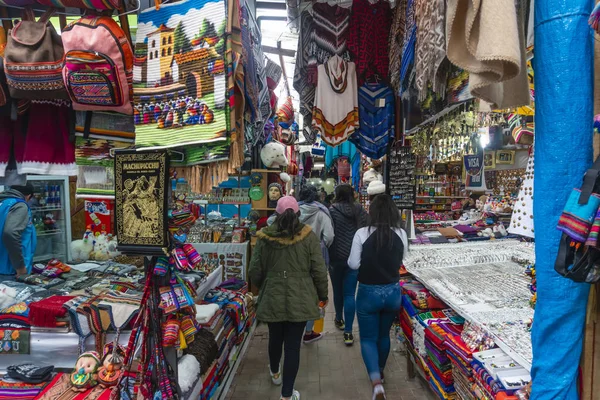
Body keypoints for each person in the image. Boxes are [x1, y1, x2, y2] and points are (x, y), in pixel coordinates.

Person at [249, 196, 329, 400]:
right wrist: (323, 295)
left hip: (273, 294)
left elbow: (255, 270)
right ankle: (286, 395)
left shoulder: (264, 237)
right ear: (299, 213)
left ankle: (275, 372)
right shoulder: (308, 237)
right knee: (293, 345)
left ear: (276, 214)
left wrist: (264, 285)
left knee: (275, 337)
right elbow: (319, 270)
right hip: (300, 296)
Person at [348, 194, 408, 400]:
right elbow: (404, 261)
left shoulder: (361, 234)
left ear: (371, 213)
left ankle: (376, 383)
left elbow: (353, 264)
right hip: (392, 292)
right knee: (384, 336)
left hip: (367, 292)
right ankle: (381, 370)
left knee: (367, 338)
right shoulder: (401, 233)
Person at [329, 184, 368, 345]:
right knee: (350, 294)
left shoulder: (331, 211)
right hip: (354, 257)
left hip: (336, 257)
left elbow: (329, 234)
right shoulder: (359, 209)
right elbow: (366, 228)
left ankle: (339, 318)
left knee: (338, 291)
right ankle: (349, 332)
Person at [296, 185, 334, 344]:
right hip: (315, 256)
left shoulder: (294, 211)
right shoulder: (321, 212)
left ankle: (295, 331)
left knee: (296, 292)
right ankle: (309, 332)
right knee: (314, 295)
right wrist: (321, 246)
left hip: (295, 255)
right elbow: (330, 235)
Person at [0, 184, 37, 281]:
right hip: (11, 271)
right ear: (28, 196)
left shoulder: (2, 203)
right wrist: (20, 267)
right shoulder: (20, 205)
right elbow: (10, 233)